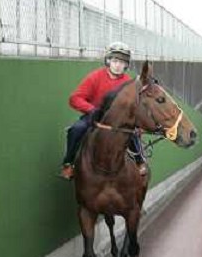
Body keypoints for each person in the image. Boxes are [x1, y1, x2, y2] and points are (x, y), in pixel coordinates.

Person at [58, 42, 147, 180]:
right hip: (95, 116)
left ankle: (139, 161)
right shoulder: (95, 77)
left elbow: (135, 106)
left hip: (119, 120)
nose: (117, 65)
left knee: (133, 133)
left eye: (122, 62)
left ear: (126, 65)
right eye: (115, 60)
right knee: (76, 129)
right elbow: (75, 98)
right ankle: (68, 164)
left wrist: (139, 124)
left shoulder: (129, 83)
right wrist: (91, 109)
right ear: (108, 61)